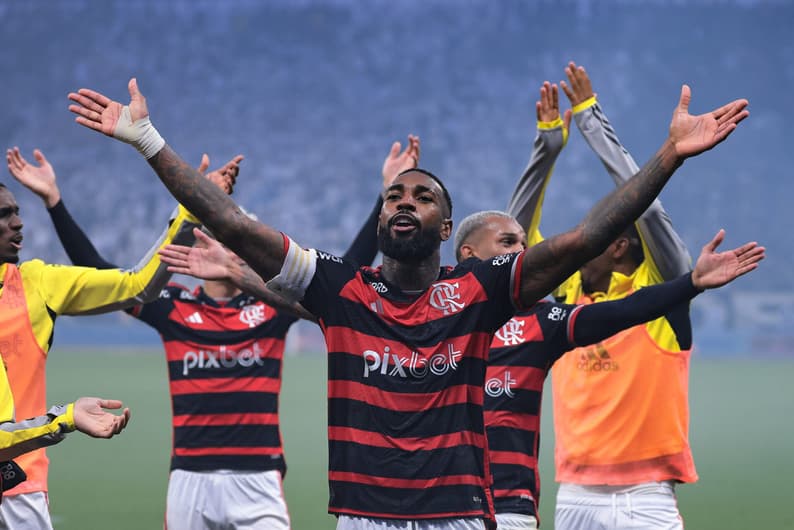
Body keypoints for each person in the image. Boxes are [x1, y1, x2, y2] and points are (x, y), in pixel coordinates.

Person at [68, 77, 748, 529]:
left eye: (423, 197)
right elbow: (237, 225)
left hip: (458, 514)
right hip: (363, 516)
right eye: (397, 194)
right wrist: (149, 142)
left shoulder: (480, 292)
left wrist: (668, 157)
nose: (405, 202)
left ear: (446, 230)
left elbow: (585, 238)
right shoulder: (342, 288)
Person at [7, 138, 419, 530]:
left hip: (258, 475)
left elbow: (344, 276)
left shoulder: (272, 307)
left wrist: (386, 196)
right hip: (190, 475)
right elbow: (98, 269)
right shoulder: (173, 307)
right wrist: (54, 202)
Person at [451, 210, 762, 529]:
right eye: (508, 242)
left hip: (626, 495)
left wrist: (691, 282)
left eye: (523, 243)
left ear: (619, 247)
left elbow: (624, 309)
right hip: (558, 497)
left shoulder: (545, 320)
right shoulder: (433, 313)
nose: (521, 251)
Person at [506, 62, 718, 529]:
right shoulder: (565, 297)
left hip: (647, 499)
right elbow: (512, 240)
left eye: (592, 232)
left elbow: (646, 206)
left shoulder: (661, 292)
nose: (579, 239)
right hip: (574, 496)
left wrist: (589, 117)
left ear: (618, 244)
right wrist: (546, 147)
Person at [0, 148, 203, 529]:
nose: (17, 223)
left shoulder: (36, 282)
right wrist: (66, 418)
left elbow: (137, 285)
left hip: (19, 493)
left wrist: (190, 214)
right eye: (3, 215)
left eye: (17, 212)